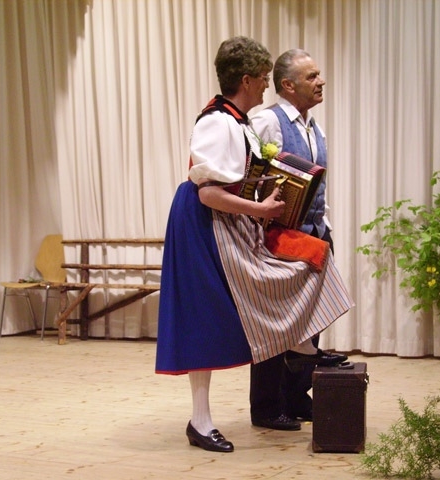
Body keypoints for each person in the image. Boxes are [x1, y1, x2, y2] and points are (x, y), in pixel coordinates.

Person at [154, 36, 354, 453]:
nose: (266, 85)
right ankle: (201, 420)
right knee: (205, 321)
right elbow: (209, 192)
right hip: (204, 224)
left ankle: (300, 343)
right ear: (245, 80)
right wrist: (259, 209)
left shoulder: (238, 121)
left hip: (226, 221)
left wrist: (264, 194)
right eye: (263, 78)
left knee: (301, 263)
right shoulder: (217, 121)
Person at [248, 49, 342, 431]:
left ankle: (296, 397)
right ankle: (266, 407)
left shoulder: (314, 127)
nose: (321, 82)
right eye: (311, 77)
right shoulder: (266, 121)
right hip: (279, 238)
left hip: (314, 233)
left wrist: (325, 225)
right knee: (275, 325)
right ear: (287, 85)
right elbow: (250, 180)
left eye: (318, 75)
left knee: (309, 321)